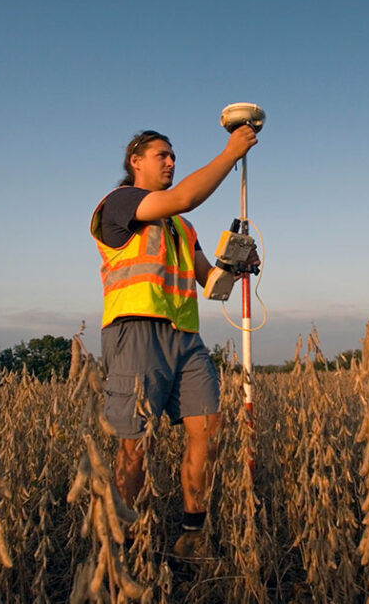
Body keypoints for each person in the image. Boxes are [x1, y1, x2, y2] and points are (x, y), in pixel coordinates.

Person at [90, 125, 258, 557]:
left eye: (173, 157)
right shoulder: (121, 203)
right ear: (136, 161)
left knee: (208, 428)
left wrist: (238, 263)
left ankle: (192, 534)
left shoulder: (183, 228)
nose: (170, 162)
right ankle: (126, 546)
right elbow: (185, 195)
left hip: (186, 339)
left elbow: (211, 283)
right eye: (161, 155)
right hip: (136, 331)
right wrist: (230, 153)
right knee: (134, 443)